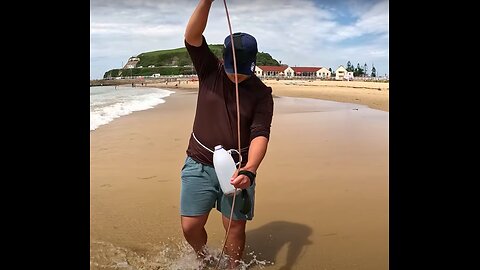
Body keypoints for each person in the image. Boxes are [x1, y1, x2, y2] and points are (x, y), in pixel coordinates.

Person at [180, 0, 274, 268]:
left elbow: (260, 133)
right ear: (223, 59)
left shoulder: (261, 93)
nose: (236, 77)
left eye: (242, 72)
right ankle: (204, 258)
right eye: (233, 70)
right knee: (190, 226)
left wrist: (250, 169)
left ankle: (233, 267)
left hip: (239, 168)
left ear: (253, 64)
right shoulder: (210, 69)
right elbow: (192, 37)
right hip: (198, 162)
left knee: (234, 226)